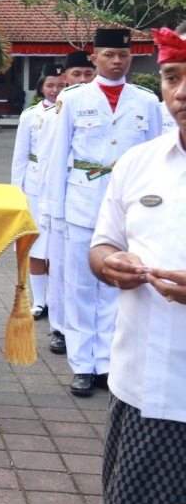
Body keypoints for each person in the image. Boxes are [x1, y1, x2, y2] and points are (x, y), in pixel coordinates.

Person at [89, 22, 186, 504]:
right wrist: (110, 265)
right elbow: (102, 244)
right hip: (141, 390)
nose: (181, 92)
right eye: (171, 77)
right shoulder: (139, 163)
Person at [42, 28, 163, 397]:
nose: (117, 61)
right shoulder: (73, 99)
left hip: (127, 207)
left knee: (118, 283)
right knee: (79, 285)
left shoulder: (146, 102)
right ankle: (82, 363)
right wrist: (53, 214)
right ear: (93, 58)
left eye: (123, 56)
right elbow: (55, 157)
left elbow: (156, 160)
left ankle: (108, 363)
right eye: (109, 54)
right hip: (81, 201)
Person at [37, 50, 97, 357]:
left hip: (94, 201)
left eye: (88, 74)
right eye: (76, 75)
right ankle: (59, 327)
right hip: (62, 202)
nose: (83, 80)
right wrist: (48, 208)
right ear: (64, 78)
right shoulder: (52, 115)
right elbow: (49, 164)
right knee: (60, 270)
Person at [11, 64, 66, 318]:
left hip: (61, 186)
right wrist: (17, 192)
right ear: (41, 87)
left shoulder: (70, 113)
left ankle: (56, 300)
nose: (55, 90)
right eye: (50, 85)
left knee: (56, 247)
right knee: (35, 245)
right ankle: (39, 301)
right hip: (33, 186)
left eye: (61, 85)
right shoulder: (30, 115)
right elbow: (20, 157)